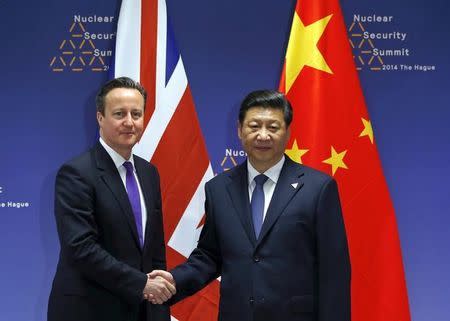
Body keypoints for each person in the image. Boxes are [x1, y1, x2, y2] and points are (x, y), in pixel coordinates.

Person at [151, 90, 351, 321]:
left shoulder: (318, 188)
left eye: (273, 127)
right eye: (254, 126)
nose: (263, 135)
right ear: (239, 130)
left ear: (287, 133)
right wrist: (174, 281)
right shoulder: (218, 189)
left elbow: (334, 273)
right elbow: (209, 256)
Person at [48, 77, 175, 321]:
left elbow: (154, 248)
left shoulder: (149, 173)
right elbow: (80, 248)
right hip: (90, 309)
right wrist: (141, 284)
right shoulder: (76, 173)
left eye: (136, 114)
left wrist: (158, 302)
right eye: (119, 114)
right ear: (100, 118)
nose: (129, 122)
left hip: (143, 309)